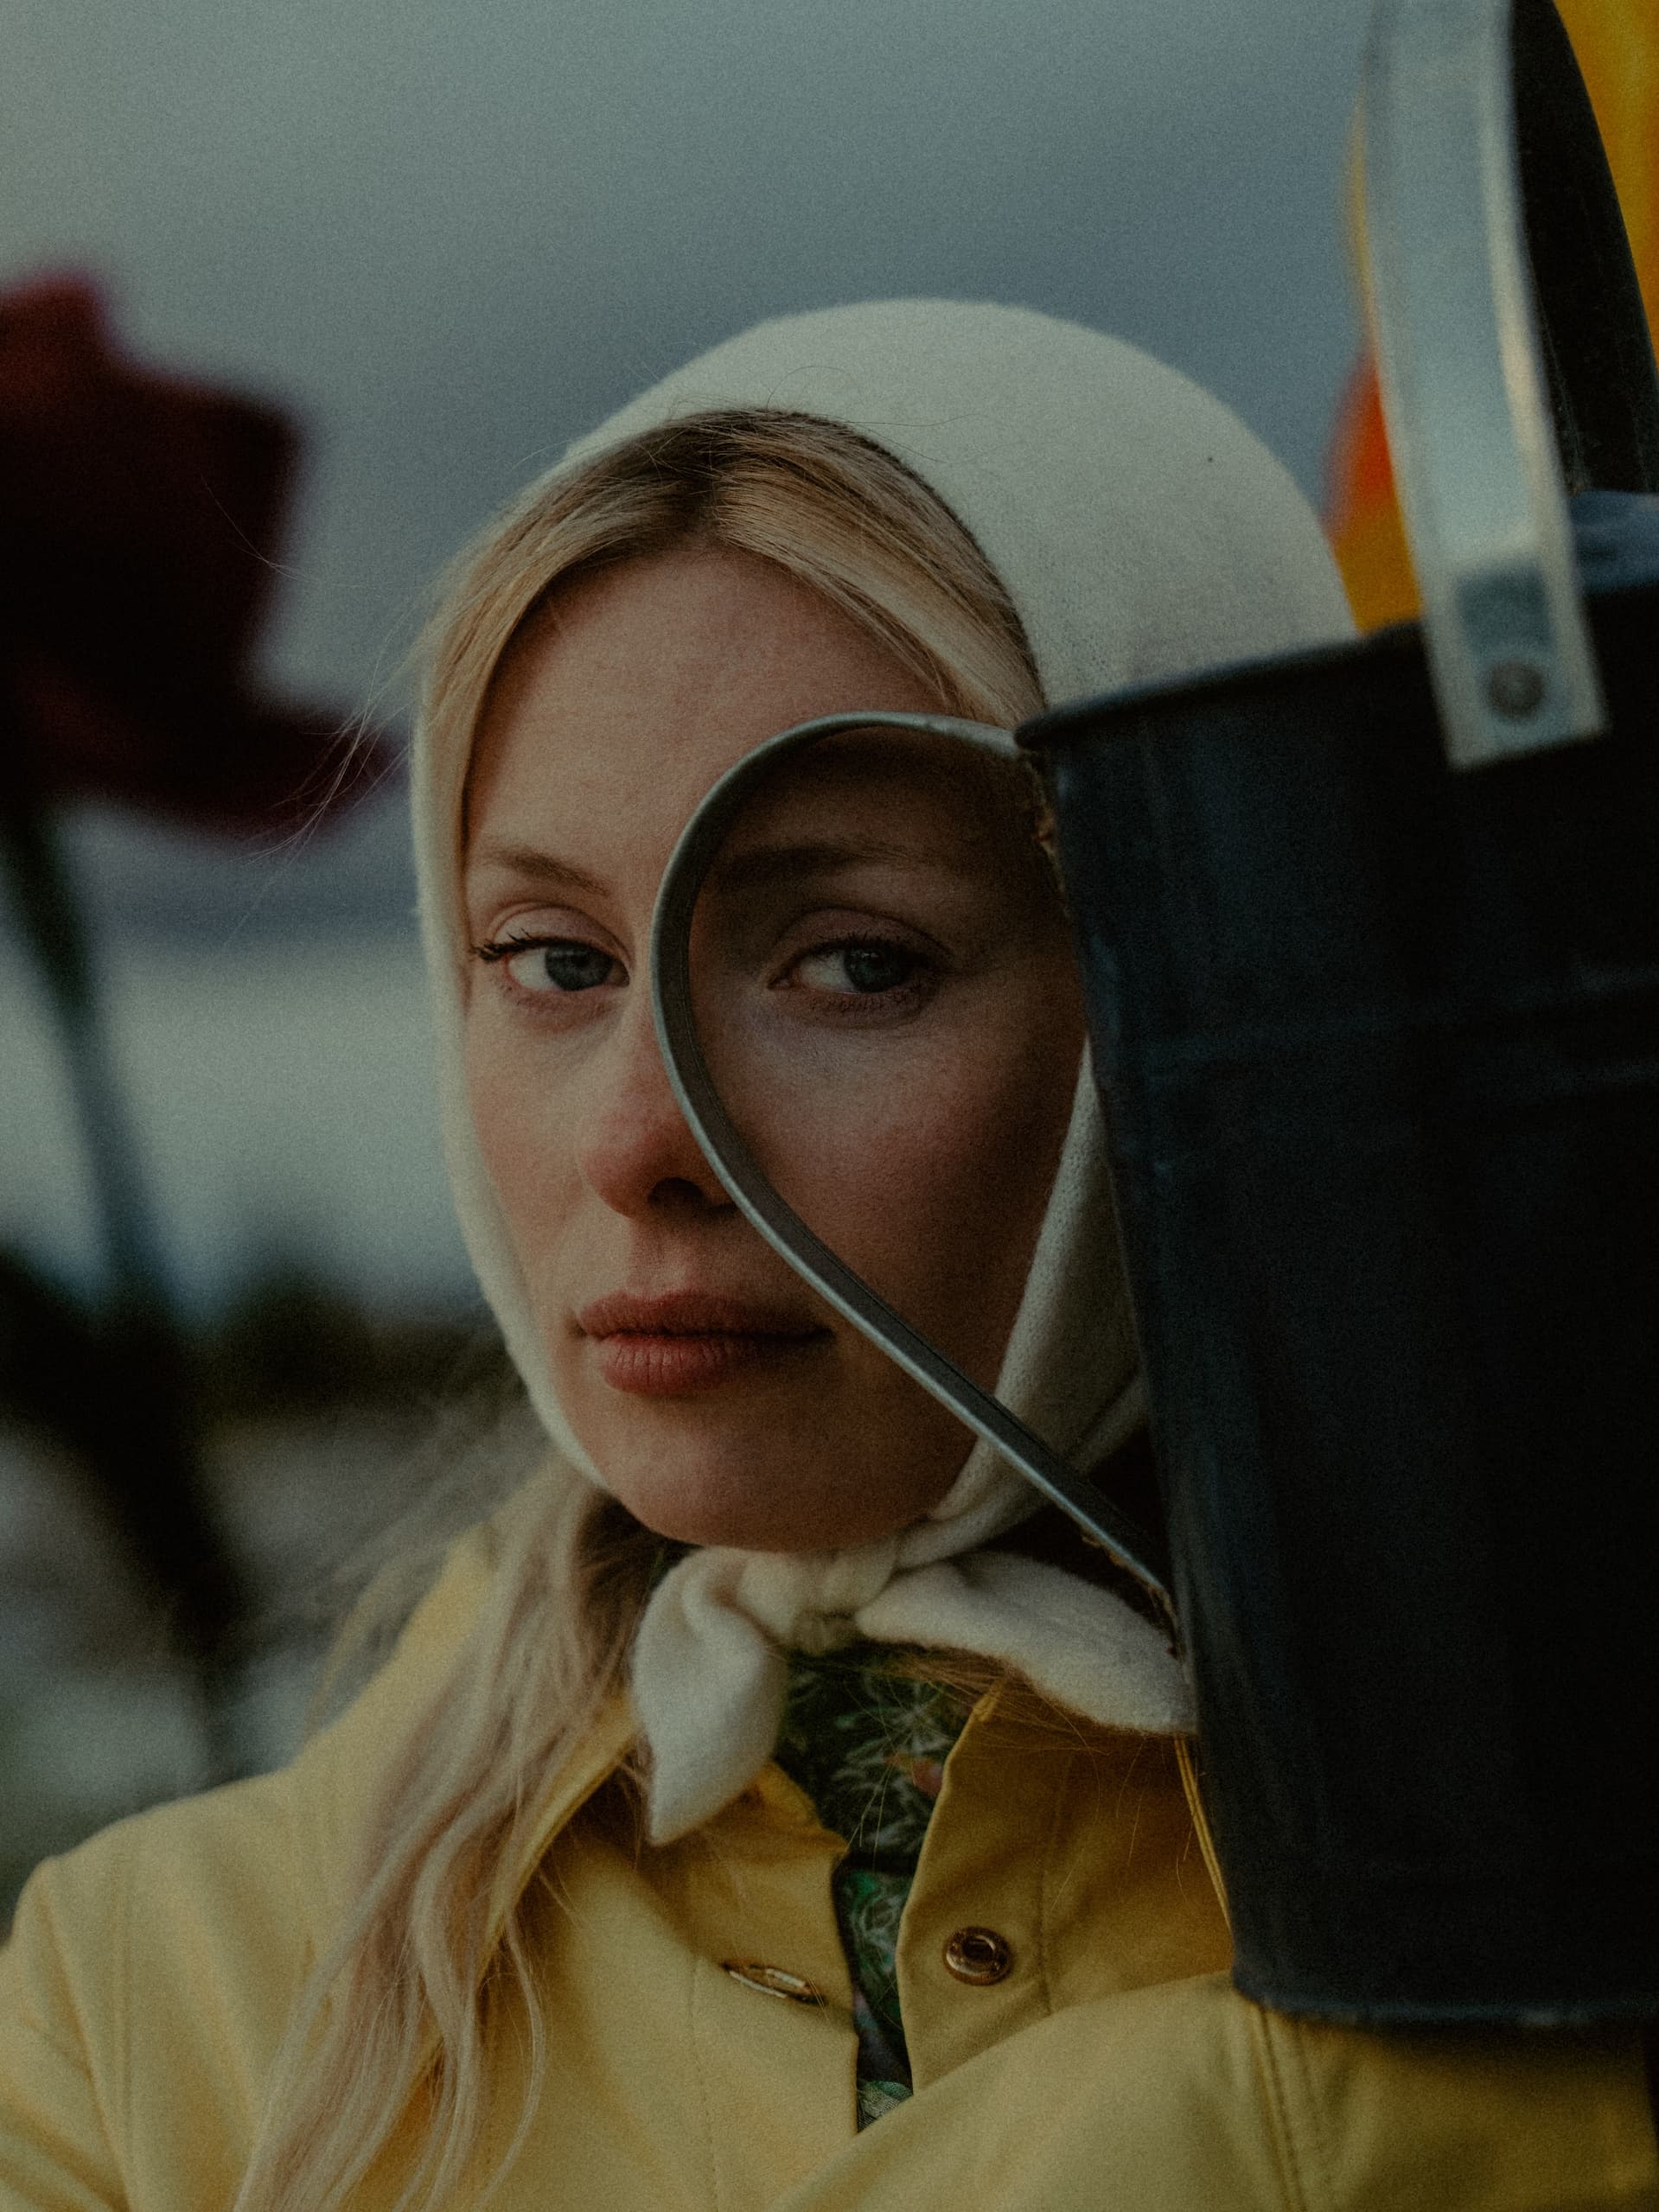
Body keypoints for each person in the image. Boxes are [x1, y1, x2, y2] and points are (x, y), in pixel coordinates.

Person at [0, 300, 1652, 2212]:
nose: (640, 1142)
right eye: (553, 960)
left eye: (855, 960)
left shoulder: (1588, 1847)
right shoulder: (149, 2010)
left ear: (1221, 962)